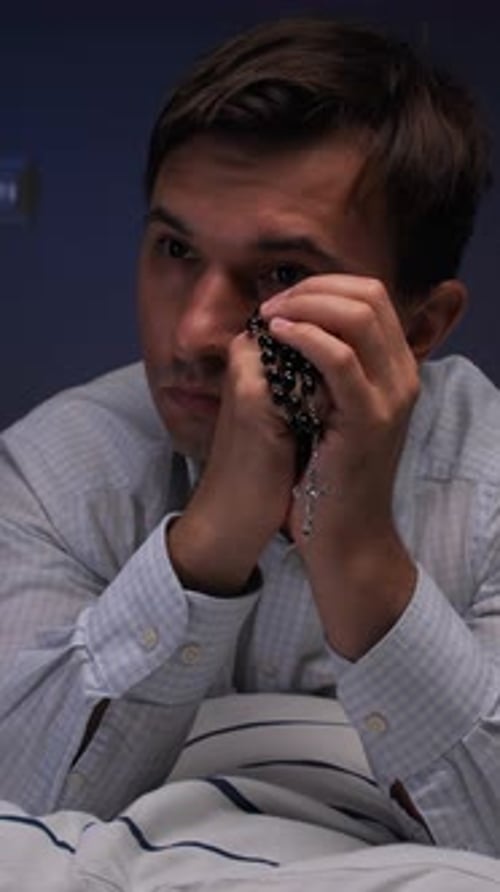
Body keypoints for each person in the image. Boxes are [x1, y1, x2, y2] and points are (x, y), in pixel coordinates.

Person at [0, 15, 498, 858]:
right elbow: (15, 800)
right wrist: (207, 545)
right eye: (173, 248)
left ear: (420, 326)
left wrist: (360, 554)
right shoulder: (60, 467)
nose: (194, 331)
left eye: (283, 274)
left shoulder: (486, 487)